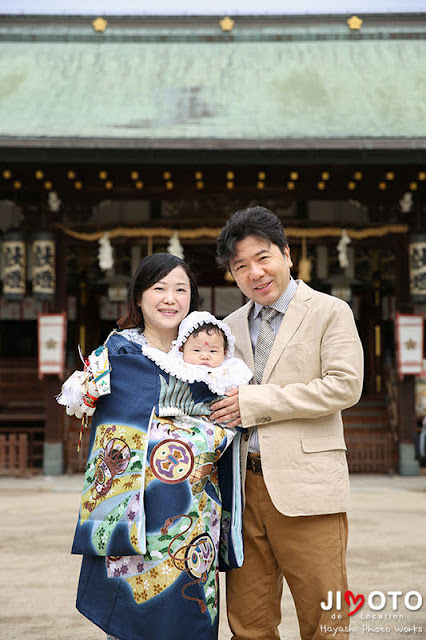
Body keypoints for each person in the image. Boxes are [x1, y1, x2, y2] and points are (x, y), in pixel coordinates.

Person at [57, 253, 244, 640]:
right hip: (133, 515)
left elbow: (227, 421)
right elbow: (98, 418)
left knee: (190, 608)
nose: (170, 298)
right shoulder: (119, 353)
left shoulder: (210, 356)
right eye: (158, 288)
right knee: (132, 617)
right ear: (138, 297)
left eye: (180, 289)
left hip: (192, 515)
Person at [210, 206, 364, 640]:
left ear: (287, 255)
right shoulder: (227, 327)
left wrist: (256, 402)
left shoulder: (330, 311)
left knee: (325, 621)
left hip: (307, 488)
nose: (255, 273)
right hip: (241, 491)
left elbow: (344, 386)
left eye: (263, 257)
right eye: (241, 266)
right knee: (248, 622)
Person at [141, 310, 253, 396]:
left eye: (213, 351)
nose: (205, 356)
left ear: (224, 352)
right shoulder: (176, 365)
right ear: (181, 349)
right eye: (197, 350)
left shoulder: (230, 368)